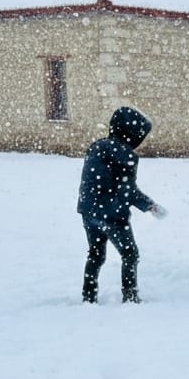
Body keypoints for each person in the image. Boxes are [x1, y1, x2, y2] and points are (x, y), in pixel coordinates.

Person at [77, 106, 166, 304]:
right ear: (130, 133)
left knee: (96, 253)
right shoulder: (126, 156)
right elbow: (128, 191)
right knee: (130, 254)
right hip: (112, 215)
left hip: (88, 212)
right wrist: (149, 205)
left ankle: (88, 296)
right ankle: (130, 295)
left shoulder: (96, 147)